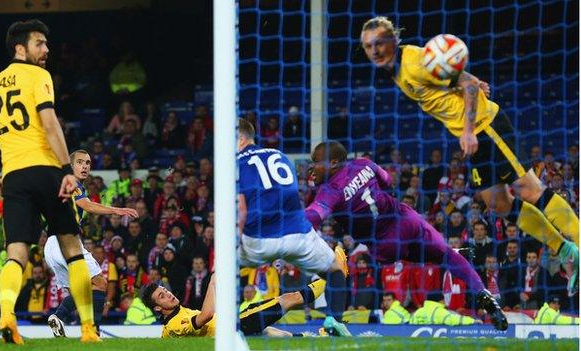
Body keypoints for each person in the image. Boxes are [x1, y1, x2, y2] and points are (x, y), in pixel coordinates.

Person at [359, 16, 579, 294]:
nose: (374, 50)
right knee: (498, 203)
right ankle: (566, 250)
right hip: (474, 135)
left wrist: (467, 131)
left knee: (528, 188)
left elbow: (470, 85)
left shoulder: (414, 62)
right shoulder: (397, 71)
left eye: (379, 43)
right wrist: (469, 85)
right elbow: (465, 81)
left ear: (393, 40)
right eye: (368, 46)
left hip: (485, 127)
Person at [0, 19, 98, 343]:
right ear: (20, 48)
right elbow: (50, 123)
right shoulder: (38, 76)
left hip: (13, 177)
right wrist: (68, 169)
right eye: (39, 43)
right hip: (46, 171)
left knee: (15, 255)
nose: (46, 50)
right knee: (72, 249)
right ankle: (87, 329)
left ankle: (8, 318)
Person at [306, 141, 507, 330]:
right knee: (446, 255)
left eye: (316, 161)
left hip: (385, 243)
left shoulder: (330, 190)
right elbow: (386, 181)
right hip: (406, 218)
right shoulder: (364, 164)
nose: (312, 166)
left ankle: (334, 322)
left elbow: (314, 216)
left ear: (333, 163)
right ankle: (482, 292)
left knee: (342, 264)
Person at [236, 119, 351, 336]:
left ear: (240, 138)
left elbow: (241, 208)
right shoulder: (280, 156)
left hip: (258, 240)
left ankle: (219, 325)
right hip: (298, 233)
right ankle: (334, 322)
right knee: (335, 268)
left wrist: (235, 242)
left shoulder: (236, 163)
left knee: (220, 272)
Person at [45, 149, 138, 337]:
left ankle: (61, 319)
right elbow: (87, 204)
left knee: (80, 292)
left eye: (87, 163)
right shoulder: (73, 184)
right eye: (80, 162)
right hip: (66, 242)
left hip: (51, 245)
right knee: (100, 283)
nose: (85, 166)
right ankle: (92, 331)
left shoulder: (61, 184)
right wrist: (116, 210)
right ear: (71, 166)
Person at [140, 274, 327, 337]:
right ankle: (331, 274)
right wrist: (213, 281)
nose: (169, 295)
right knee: (285, 300)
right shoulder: (173, 324)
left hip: (235, 328)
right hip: (236, 327)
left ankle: (325, 337)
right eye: (162, 296)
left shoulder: (177, 315)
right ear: (157, 307)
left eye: (166, 290)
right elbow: (205, 315)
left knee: (281, 337)